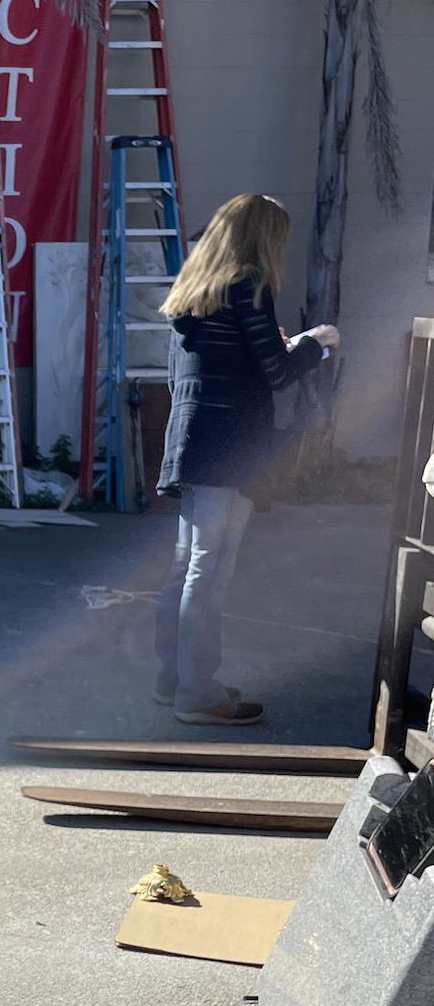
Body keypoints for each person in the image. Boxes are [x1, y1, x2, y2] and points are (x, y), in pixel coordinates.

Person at [154, 195, 338, 725]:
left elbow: (206, 368)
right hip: (231, 443)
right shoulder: (248, 284)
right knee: (210, 571)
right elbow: (277, 374)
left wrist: (275, 348)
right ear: (263, 238)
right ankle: (198, 697)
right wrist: (318, 343)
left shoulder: (192, 291)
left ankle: (176, 681)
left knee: (188, 566)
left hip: (191, 440)